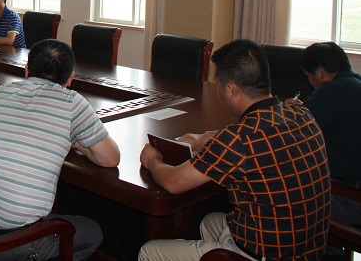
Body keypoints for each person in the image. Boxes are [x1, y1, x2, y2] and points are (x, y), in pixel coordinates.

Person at [138, 39, 331, 261]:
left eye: (219, 85)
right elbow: (259, 134)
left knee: (148, 252)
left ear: (231, 90)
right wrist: (204, 138)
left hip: (267, 255)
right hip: (309, 248)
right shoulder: (300, 113)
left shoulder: (238, 140)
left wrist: (152, 160)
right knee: (209, 222)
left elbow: (174, 182)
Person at [0, 39, 120, 261]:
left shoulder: (2, 93)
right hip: (14, 243)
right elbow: (110, 158)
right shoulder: (72, 103)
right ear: (70, 78)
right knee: (93, 232)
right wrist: (75, 141)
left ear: (26, 70)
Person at [300, 42, 361, 228]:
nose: (309, 80)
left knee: (283, 193)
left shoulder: (333, 90)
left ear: (320, 72)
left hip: (349, 198)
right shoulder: (355, 83)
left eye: (308, 75)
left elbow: (293, 130)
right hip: (353, 189)